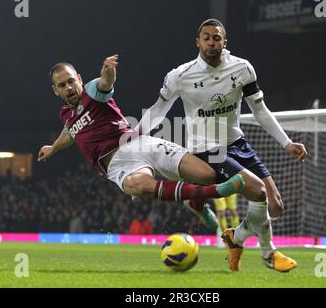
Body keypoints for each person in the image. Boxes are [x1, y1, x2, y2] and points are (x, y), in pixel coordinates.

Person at [134, 19, 307, 272]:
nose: (211, 42)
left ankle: (235, 238)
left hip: (237, 143)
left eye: (216, 37)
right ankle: (268, 253)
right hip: (207, 149)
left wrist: (286, 142)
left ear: (224, 42)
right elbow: (158, 110)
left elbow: (260, 111)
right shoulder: (180, 75)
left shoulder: (243, 68)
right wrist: (133, 136)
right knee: (257, 191)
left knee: (275, 206)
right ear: (198, 42)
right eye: (206, 37)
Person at [37, 55, 245, 231]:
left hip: (137, 142)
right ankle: (214, 193)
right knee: (138, 186)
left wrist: (108, 72)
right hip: (119, 164)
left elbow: (105, 83)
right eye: (62, 85)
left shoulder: (92, 91)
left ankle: (196, 202)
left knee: (206, 175)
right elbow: (69, 133)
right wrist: (52, 149)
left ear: (79, 79)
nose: (69, 87)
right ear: (56, 90)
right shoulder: (66, 115)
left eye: (71, 81)